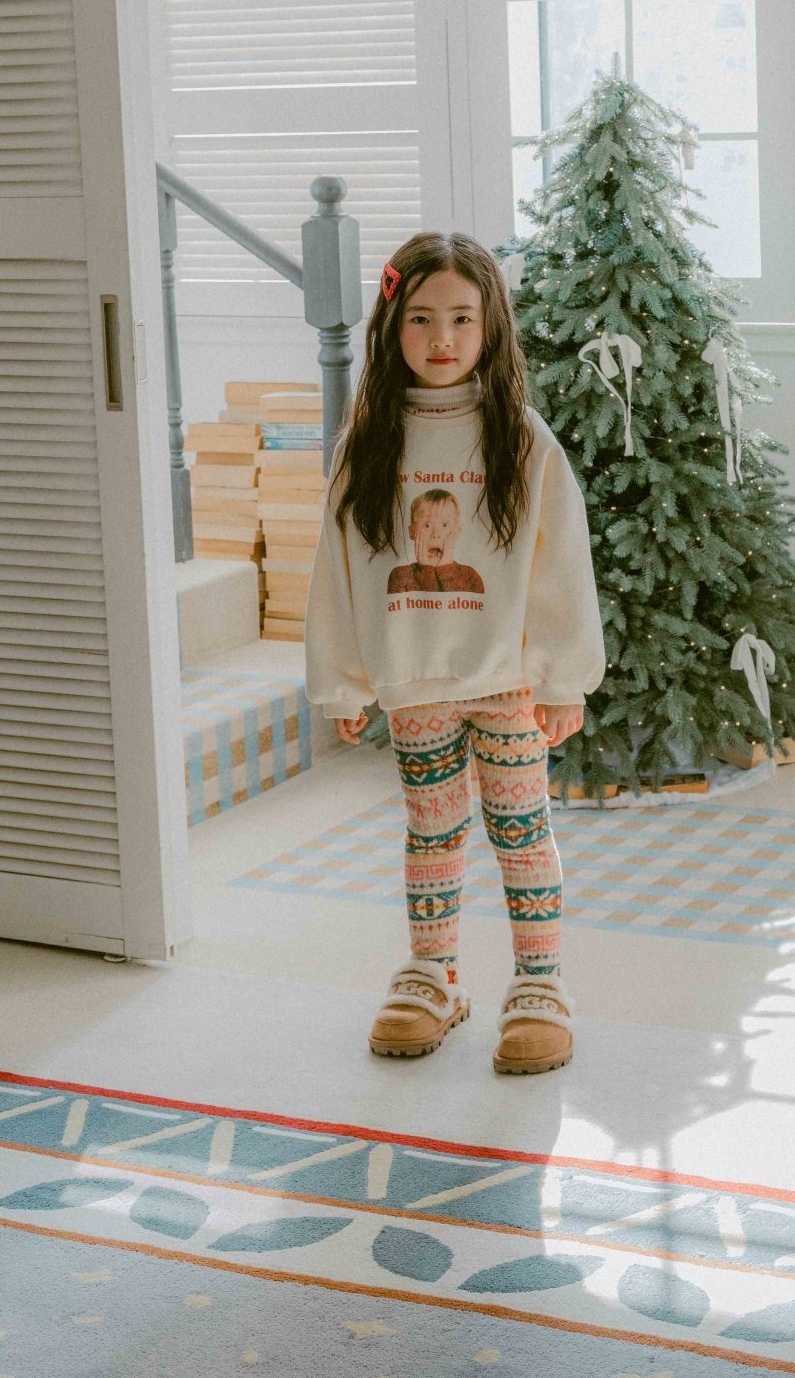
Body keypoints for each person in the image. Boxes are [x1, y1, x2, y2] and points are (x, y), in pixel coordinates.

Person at [305, 230, 606, 1075]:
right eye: (422, 318)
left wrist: (564, 677)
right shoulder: (370, 440)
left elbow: (559, 564)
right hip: (416, 683)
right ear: (391, 325)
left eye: (462, 318)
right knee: (431, 832)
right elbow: (337, 568)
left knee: (520, 829)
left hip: (507, 684)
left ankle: (540, 984)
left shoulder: (522, 438)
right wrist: (342, 680)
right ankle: (433, 976)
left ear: (490, 325)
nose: (442, 339)